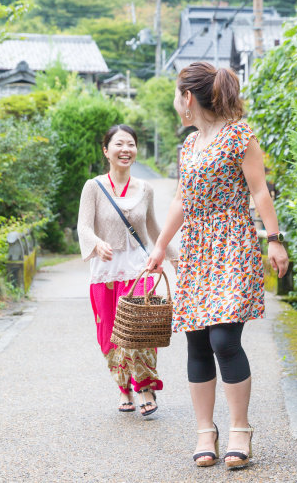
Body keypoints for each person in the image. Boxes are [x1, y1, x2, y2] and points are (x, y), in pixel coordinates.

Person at [145, 62, 289, 469]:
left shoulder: (240, 136)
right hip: (195, 249)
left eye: (177, 95)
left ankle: (240, 429)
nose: (177, 103)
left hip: (233, 245)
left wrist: (275, 240)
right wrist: (160, 247)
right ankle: (205, 431)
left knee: (224, 340)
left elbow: (260, 191)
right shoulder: (189, 146)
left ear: (187, 97)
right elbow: (179, 201)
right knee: (196, 342)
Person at [77, 124, 178, 416]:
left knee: (140, 331)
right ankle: (123, 388)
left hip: (138, 272)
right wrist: (96, 244)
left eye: (131, 144)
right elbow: (83, 226)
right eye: (119, 144)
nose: (126, 150)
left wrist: (174, 258)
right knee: (110, 334)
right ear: (106, 151)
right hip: (104, 273)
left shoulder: (145, 189)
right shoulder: (93, 187)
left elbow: (153, 228)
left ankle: (144, 387)